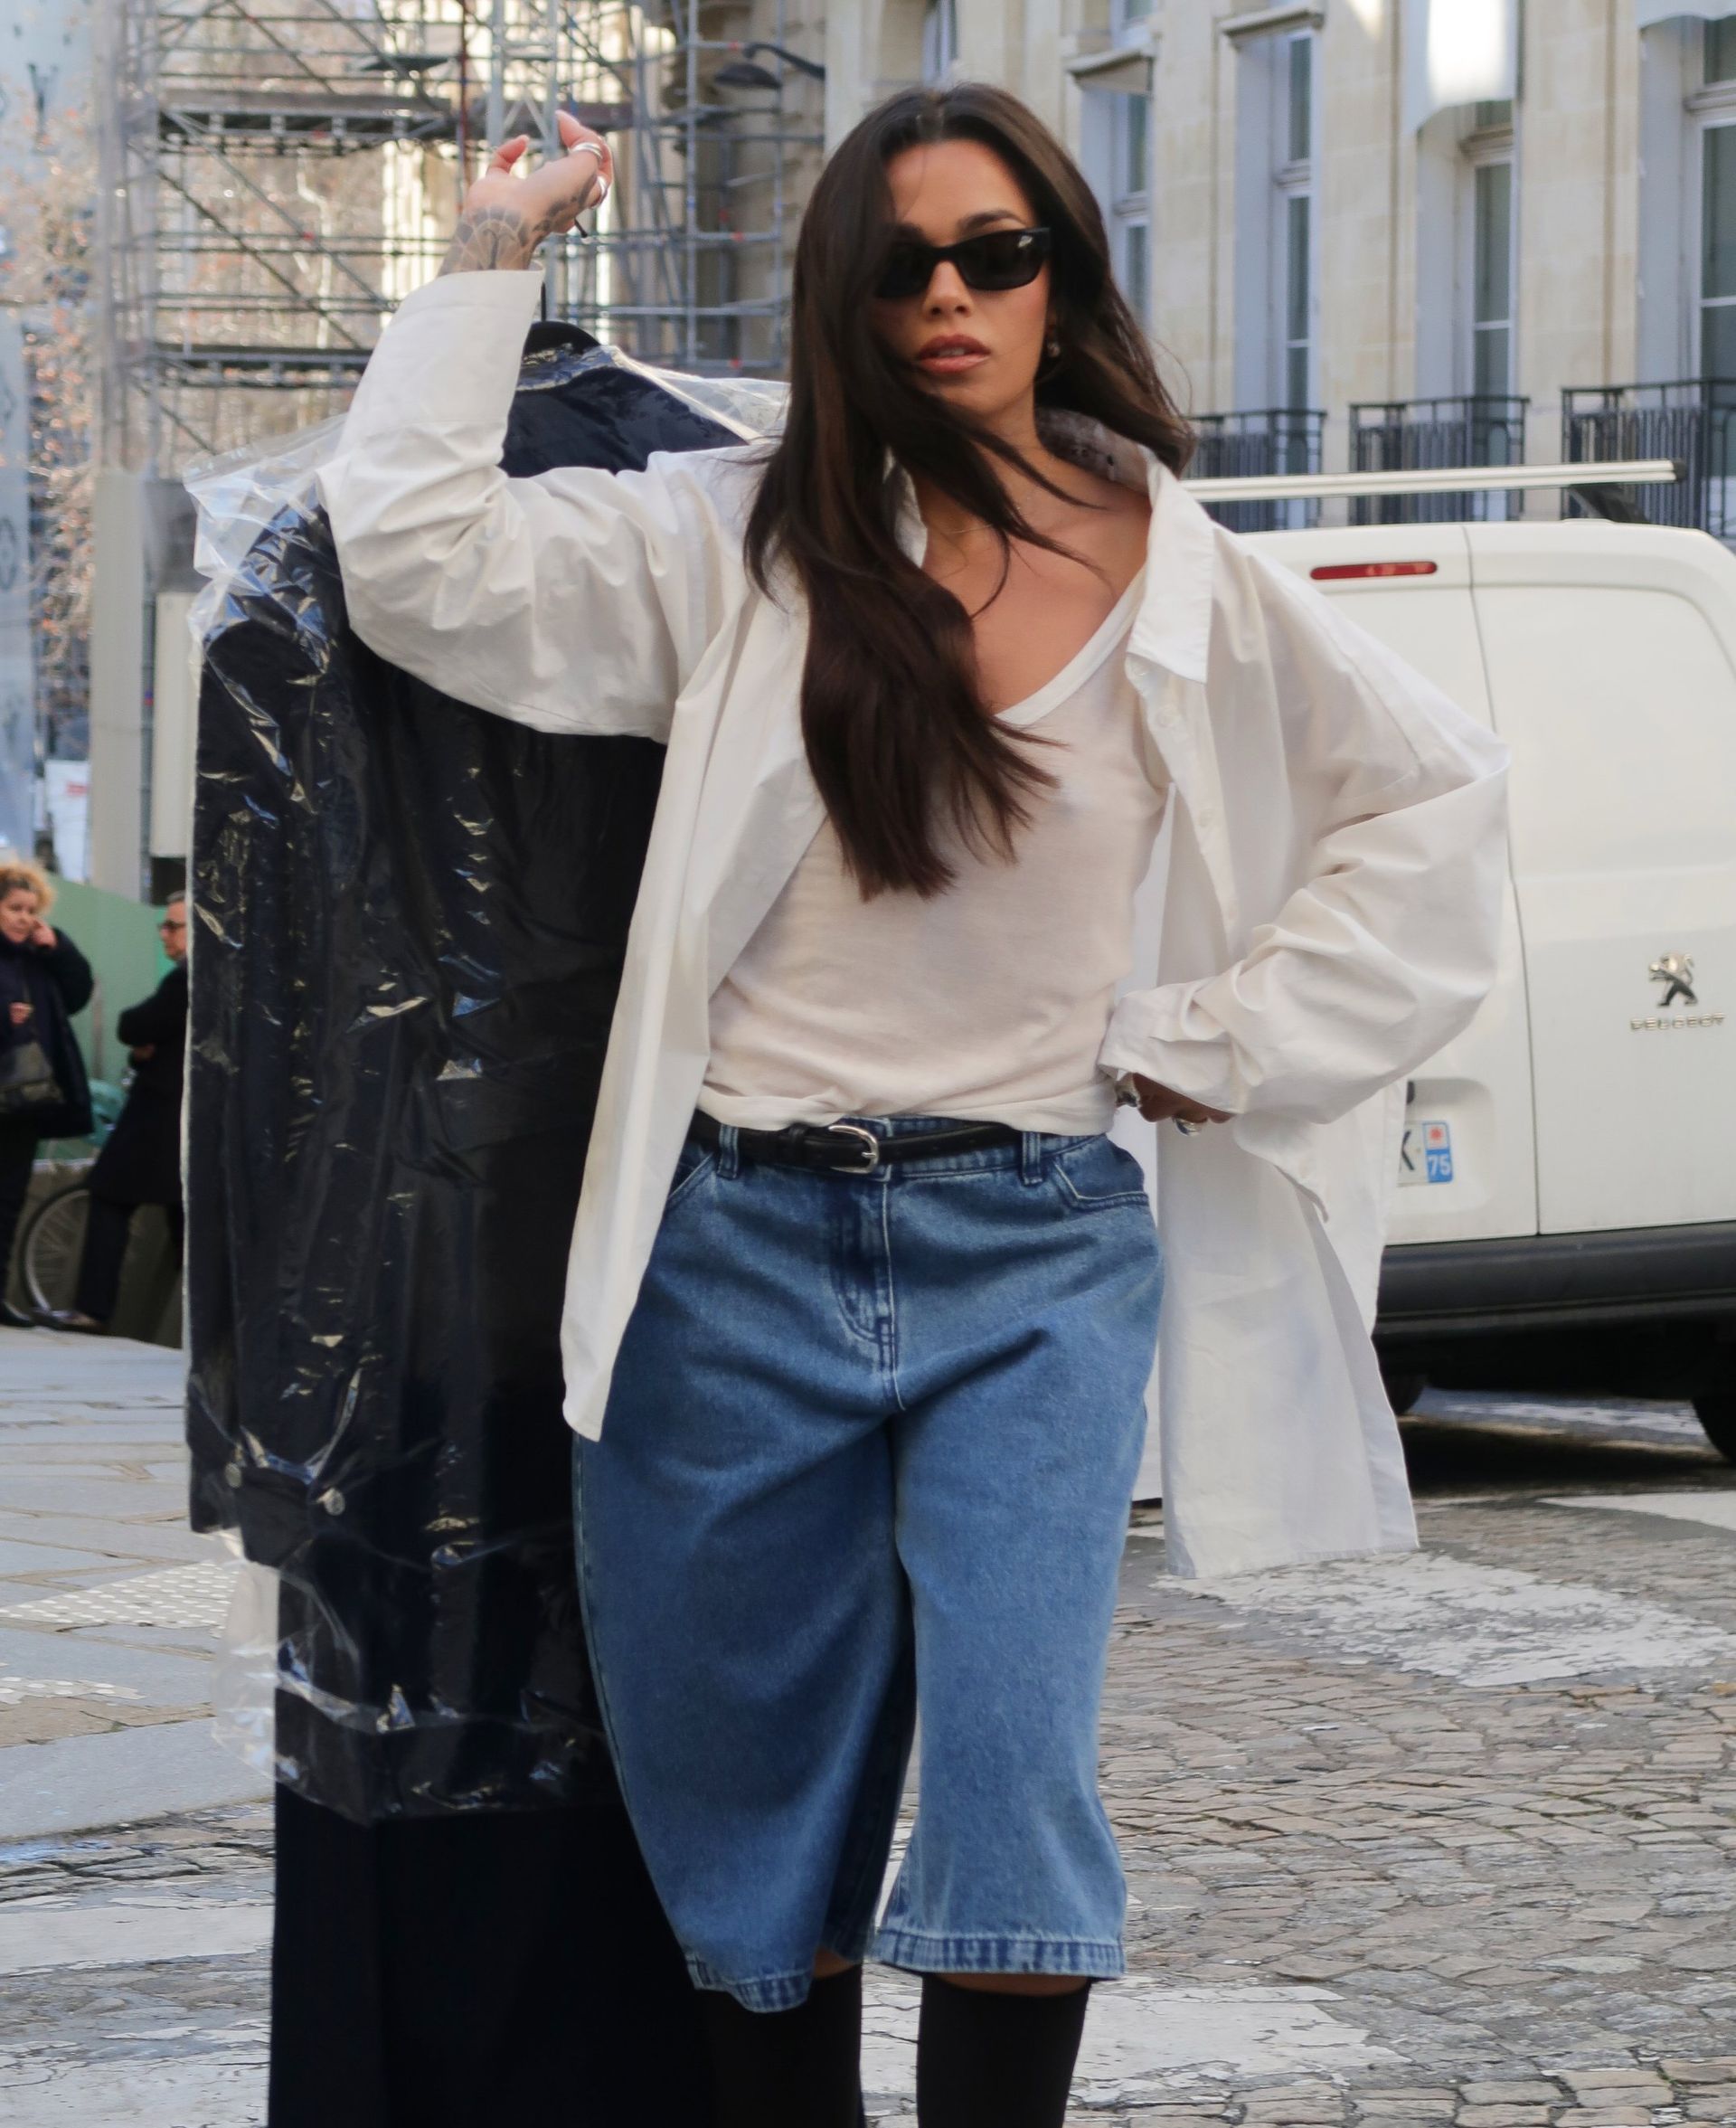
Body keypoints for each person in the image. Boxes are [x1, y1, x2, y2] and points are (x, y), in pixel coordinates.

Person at [317, 81, 1508, 2128]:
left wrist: (1209, 1037)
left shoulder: (1181, 575)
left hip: (1033, 1252)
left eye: (996, 253)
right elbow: (418, 559)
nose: (948, 296)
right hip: (728, 1264)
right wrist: (490, 257)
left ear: (1063, 277)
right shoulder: (739, 542)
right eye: (898, 266)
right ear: (840, 306)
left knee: (1012, 1784)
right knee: (757, 1839)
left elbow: (1431, 808)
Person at [43, 894, 189, 1333]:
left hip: (159, 1116)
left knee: (110, 1195)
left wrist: (146, 1047)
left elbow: (136, 1025)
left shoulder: (184, 979)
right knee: (185, 1213)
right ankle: (210, 1319)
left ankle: (92, 1307)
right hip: (182, 1120)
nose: (164, 933)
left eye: (173, 926)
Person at [0, 859, 93, 1329]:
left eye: (29, 910)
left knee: (11, 1196)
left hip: (25, 1099)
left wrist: (59, 947)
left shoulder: (40, 958)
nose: (22, 918)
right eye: (14, 908)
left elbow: (78, 993)